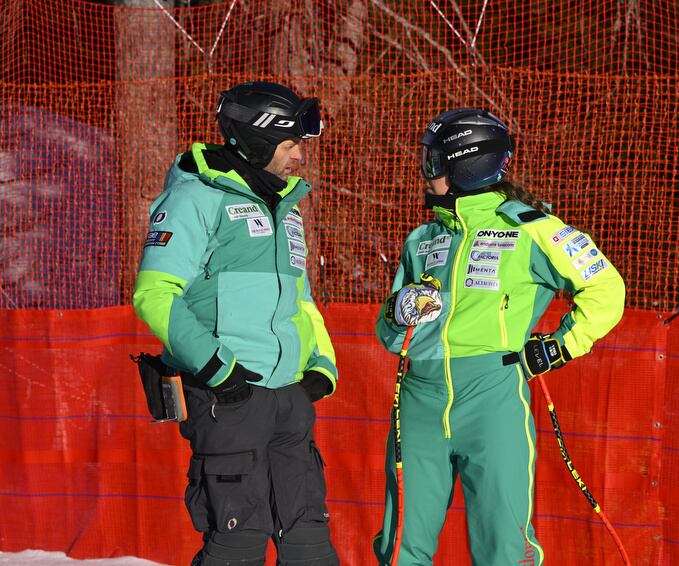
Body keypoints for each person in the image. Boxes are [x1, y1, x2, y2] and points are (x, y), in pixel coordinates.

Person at [373, 108, 626, 565]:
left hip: (493, 396)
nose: (425, 173)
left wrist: (559, 347)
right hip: (418, 399)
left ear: (463, 164)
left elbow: (606, 288)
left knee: (504, 549)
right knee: (399, 547)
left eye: (434, 162)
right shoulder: (422, 239)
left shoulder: (530, 228)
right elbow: (389, 337)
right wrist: (398, 311)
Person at [133, 81, 340, 566]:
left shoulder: (288, 207)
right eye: (290, 145)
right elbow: (155, 296)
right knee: (238, 544)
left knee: (309, 542)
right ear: (258, 139)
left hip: (289, 398)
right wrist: (219, 369)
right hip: (227, 398)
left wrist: (322, 365)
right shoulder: (194, 198)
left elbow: (302, 299)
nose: (298, 157)